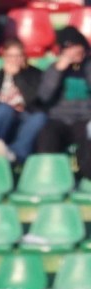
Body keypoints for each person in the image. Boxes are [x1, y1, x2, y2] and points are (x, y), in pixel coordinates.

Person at [0, 39, 45, 164]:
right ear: (4, 57)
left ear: (24, 57)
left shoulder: (36, 75)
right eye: (11, 56)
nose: (15, 60)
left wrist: (17, 77)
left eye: (18, 56)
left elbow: (36, 101)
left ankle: (14, 154)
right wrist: (1, 107)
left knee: (39, 117)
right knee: (4, 108)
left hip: (24, 116)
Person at [36, 26, 91, 182]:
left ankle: (85, 177)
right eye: (69, 48)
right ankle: (52, 179)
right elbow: (43, 96)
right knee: (47, 136)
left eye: (77, 47)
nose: (74, 52)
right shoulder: (53, 69)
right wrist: (58, 70)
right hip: (59, 119)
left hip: (85, 118)